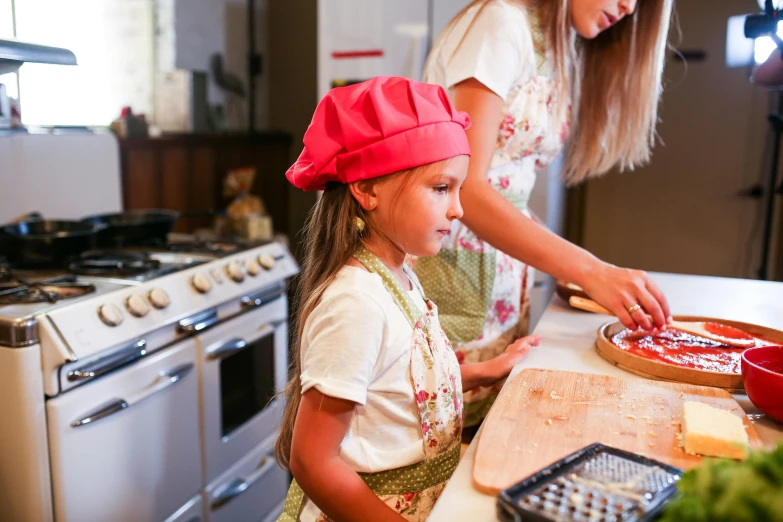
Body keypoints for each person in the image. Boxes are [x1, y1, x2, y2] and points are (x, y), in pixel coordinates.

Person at [274, 76, 541, 522]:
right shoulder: (354, 303)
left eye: (458, 189)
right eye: (441, 188)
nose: (458, 209)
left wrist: (480, 372)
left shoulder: (400, 275)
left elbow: (397, 386)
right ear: (367, 189)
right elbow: (313, 461)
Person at [414, 0, 675, 430]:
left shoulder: (556, 47)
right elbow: (468, 188)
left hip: (494, 291)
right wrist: (591, 270)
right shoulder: (498, 23)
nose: (629, 6)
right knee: (430, 431)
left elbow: (507, 190)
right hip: (443, 276)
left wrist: (575, 267)